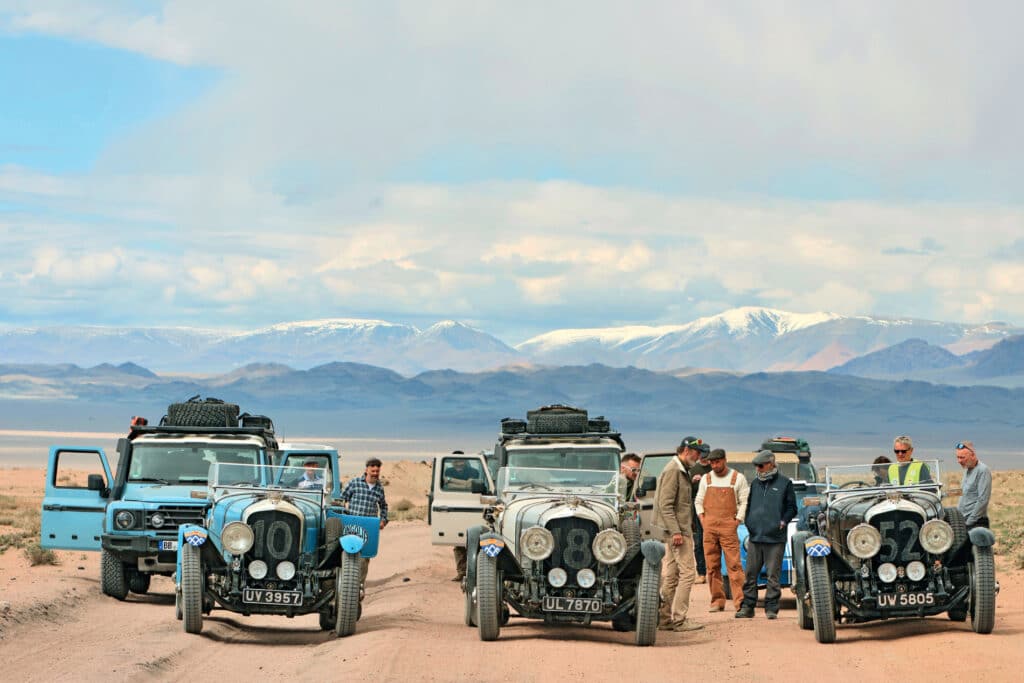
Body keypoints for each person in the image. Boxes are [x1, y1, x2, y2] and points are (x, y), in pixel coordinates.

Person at [737, 450, 797, 619]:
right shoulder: (755, 484)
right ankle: (747, 607)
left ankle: (771, 608)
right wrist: (749, 522)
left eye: (761, 466)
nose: (758, 469)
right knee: (750, 575)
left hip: (775, 538)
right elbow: (749, 506)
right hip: (755, 537)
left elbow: (792, 508)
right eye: (756, 466)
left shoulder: (785, 484)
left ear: (771, 463)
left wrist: (783, 522)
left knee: (773, 576)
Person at [654, 438, 703, 632]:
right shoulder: (674, 470)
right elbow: (665, 505)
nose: (698, 457)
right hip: (678, 532)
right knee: (688, 574)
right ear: (686, 450)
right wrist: (675, 531)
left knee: (673, 576)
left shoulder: (681, 470)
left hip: (679, 530)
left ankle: (664, 619)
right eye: (696, 452)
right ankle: (680, 619)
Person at [695, 448, 749, 613]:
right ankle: (717, 601)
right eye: (711, 462)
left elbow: (745, 501)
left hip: (729, 526)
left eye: (717, 461)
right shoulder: (707, 478)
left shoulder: (737, 478)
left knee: (734, 565)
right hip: (709, 526)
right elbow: (698, 501)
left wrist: (737, 521)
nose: (714, 465)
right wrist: (703, 519)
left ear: (724, 460)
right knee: (712, 566)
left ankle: (740, 602)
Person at [340, 458, 389, 598]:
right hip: (352, 525)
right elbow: (342, 499)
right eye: (372, 470)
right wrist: (342, 515)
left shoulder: (379, 488)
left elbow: (384, 506)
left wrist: (383, 520)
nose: (375, 473)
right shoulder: (355, 483)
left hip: (369, 527)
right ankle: (344, 584)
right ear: (366, 469)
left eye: (377, 471)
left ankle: (359, 586)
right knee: (348, 553)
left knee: (365, 557)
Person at [445, 451, 477, 582]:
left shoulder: (474, 471)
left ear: (464, 460)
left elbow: (471, 485)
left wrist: (452, 482)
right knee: (458, 543)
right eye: (455, 460)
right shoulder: (448, 471)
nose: (458, 462)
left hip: (473, 505)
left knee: (474, 542)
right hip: (454, 507)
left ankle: (474, 573)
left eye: (460, 460)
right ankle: (461, 573)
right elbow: (445, 484)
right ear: (452, 461)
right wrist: (464, 484)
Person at [956, 441, 992, 530]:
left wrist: (969, 523)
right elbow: (964, 492)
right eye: (957, 457)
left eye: (962, 457)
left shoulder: (983, 470)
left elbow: (983, 500)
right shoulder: (967, 469)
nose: (959, 461)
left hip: (976, 524)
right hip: (963, 521)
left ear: (972, 455)